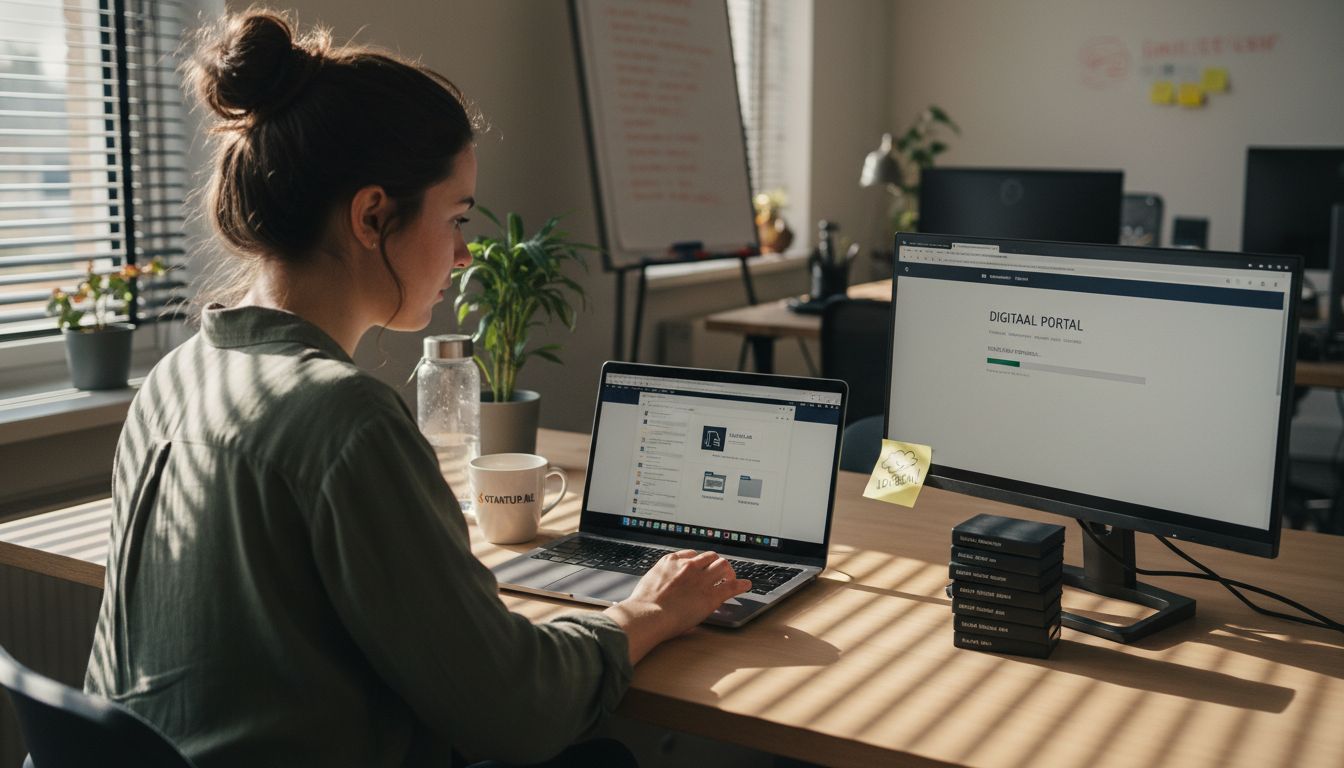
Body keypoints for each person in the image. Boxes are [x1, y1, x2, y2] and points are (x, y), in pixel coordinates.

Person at [84, 10, 751, 767]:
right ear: (373, 215)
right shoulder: (344, 418)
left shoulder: (178, 376)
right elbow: (518, 709)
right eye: (457, 218)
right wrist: (647, 610)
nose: (466, 255)